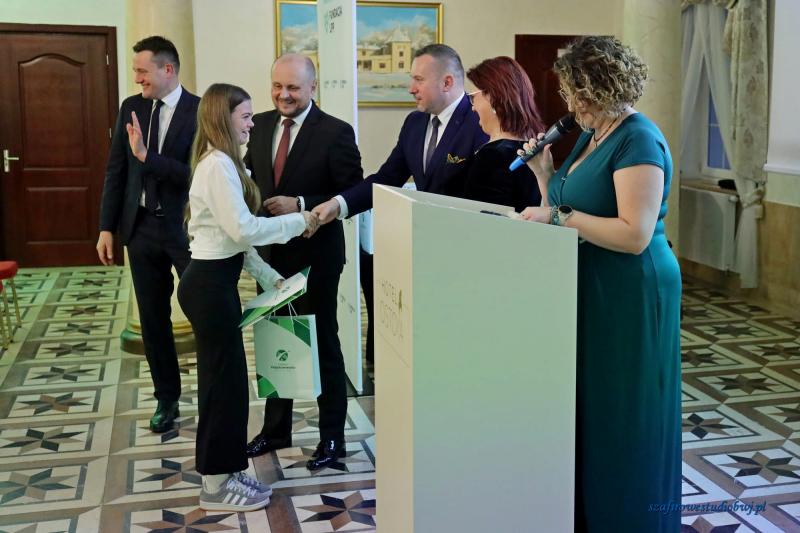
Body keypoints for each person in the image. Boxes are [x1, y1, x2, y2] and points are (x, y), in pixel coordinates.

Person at [519, 36, 681, 532]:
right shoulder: (593, 134)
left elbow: (633, 234)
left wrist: (558, 216)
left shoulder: (638, 139)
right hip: (592, 283)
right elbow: (566, 208)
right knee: (593, 406)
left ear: (600, 89)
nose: (571, 105)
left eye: (576, 93)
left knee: (625, 408)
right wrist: (544, 174)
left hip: (631, 287)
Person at [177, 83, 318, 512]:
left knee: (230, 385)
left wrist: (272, 278)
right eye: (245, 117)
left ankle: (226, 469)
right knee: (222, 387)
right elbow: (244, 230)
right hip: (208, 288)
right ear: (224, 119)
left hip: (214, 283)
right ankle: (215, 486)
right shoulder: (217, 166)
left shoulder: (224, 163)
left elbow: (236, 243)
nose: (252, 124)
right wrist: (299, 221)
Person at [243, 54, 364, 471]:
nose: (284, 95)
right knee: (275, 342)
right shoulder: (259, 125)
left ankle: (332, 437)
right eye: (277, 86)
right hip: (269, 260)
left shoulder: (335, 132)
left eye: (293, 87)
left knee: (323, 343)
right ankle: (276, 430)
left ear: (313, 87)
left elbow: (352, 191)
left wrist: (301, 204)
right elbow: (251, 179)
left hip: (316, 259)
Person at [97, 36, 199, 433]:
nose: (137, 78)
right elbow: (116, 170)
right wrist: (107, 227)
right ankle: (166, 399)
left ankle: (214, 395)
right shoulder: (132, 107)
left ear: (167, 69)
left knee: (204, 313)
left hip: (185, 231)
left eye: (143, 71)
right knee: (153, 321)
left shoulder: (200, 111)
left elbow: (197, 175)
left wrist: (149, 158)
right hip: (140, 229)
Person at [312, 43, 488, 223]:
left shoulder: (481, 121)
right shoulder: (414, 123)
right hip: (424, 232)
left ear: (446, 83)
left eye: (419, 80)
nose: (411, 89)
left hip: (466, 232)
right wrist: (338, 204)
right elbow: (388, 178)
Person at [461, 56, 544, 211]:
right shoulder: (533, 149)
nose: (473, 107)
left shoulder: (492, 156)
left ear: (492, 97)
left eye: (473, 97)